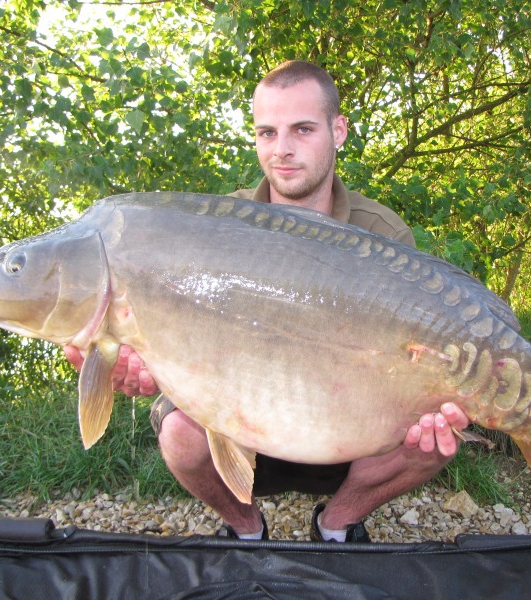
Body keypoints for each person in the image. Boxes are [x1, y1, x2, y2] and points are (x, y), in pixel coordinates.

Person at [64, 60, 469, 542]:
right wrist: (142, 361)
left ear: (338, 131)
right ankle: (246, 528)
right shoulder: (218, 225)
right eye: (267, 132)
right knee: (179, 434)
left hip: (352, 432)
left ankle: (337, 525)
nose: (283, 150)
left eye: (302, 129)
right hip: (243, 422)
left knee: (436, 441)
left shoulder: (381, 234)